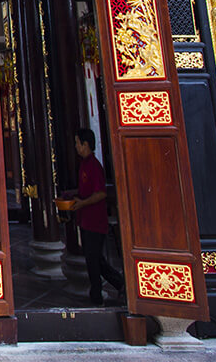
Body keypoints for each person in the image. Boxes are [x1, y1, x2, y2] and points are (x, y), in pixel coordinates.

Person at [70, 127, 124, 306]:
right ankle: (120, 284)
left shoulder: (94, 165)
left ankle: (97, 297)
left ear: (86, 144)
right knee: (95, 259)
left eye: (78, 143)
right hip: (86, 220)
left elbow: (101, 193)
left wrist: (83, 203)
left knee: (94, 261)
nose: (76, 146)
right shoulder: (84, 164)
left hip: (95, 222)